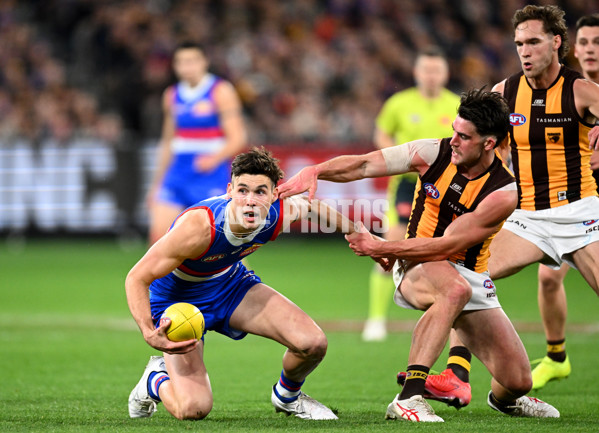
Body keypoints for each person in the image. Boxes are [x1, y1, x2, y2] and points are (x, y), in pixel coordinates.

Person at [279, 88, 560, 422]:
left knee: (517, 380)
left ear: (489, 143)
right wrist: (317, 170)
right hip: (419, 265)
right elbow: (366, 164)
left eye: (464, 137)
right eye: (454, 131)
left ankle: (504, 401)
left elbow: (447, 245)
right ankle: (408, 398)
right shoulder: (432, 152)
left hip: (467, 272)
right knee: (454, 290)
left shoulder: (502, 192)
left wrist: (382, 247)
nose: (453, 141)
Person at [396, 5, 599, 408]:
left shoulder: (580, 90)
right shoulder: (503, 93)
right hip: (525, 218)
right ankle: (455, 375)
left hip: (581, 214)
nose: (525, 50)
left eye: (534, 42)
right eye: (519, 43)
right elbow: (467, 144)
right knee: (464, 277)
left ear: (557, 42)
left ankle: (524, 374)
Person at [126, 147, 354, 421]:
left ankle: (288, 397)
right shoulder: (200, 226)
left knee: (313, 344)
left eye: (260, 192)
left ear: (274, 195)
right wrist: (149, 332)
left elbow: (312, 207)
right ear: (230, 189)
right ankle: (155, 379)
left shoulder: (278, 213)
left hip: (229, 286)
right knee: (193, 409)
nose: (250, 200)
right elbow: (136, 277)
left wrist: (361, 234)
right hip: (178, 299)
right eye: (242, 190)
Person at [363, 47, 460, 342]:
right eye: (426, 70)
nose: (431, 76)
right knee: (390, 245)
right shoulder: (399, 103)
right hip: (408, 184)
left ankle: (447, 313)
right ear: (417, 73)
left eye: (436, 70)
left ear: (445, 73)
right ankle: (376, 320)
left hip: (447, 184)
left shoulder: (456, 104)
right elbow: (381, 134)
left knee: (452, 250)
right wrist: (393, 159)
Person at [531, 13, 599, 390]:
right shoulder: (565, 87)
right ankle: (556, 356)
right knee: (548, 277)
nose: (590, 49)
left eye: (597, 42)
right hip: (576, 205)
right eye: (585, 42)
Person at [146, 41, 247, 245]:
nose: (186, 67)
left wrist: (214, 159)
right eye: (181, 62)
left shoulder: (220, 91)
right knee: (160, 241)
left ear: (204, 62)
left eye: (192, 61)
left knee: (222, 244)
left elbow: (238, 138)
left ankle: (243, 278)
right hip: (178, 172)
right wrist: (157, 183)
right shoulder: (172, 95)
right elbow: (168, 141)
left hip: (210, 174)